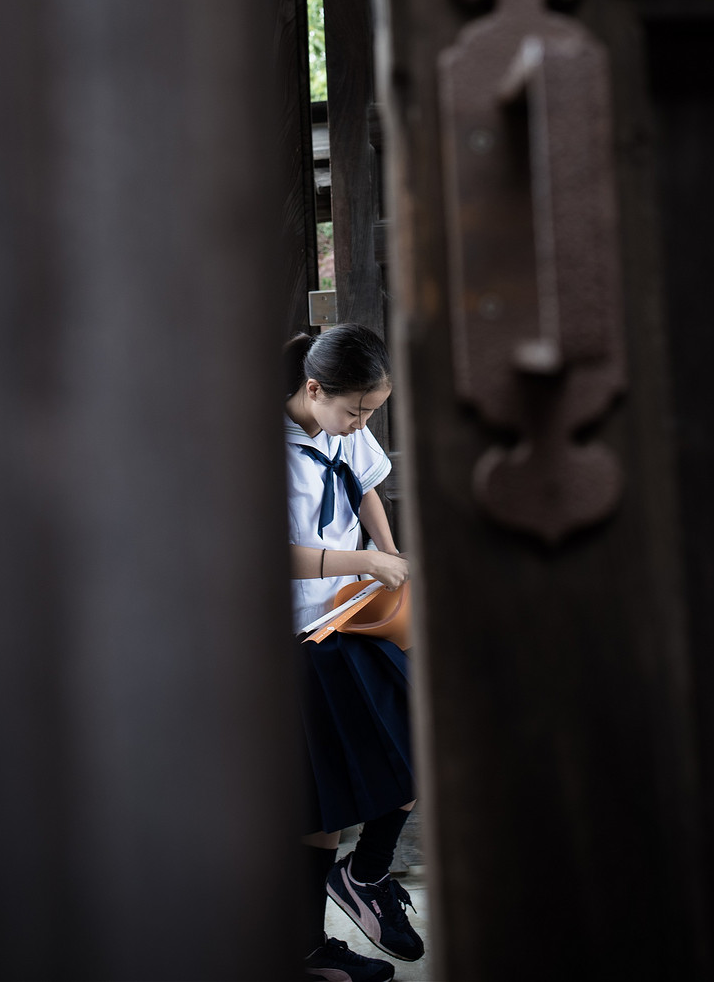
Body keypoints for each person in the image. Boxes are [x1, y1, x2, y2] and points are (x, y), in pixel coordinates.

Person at [285, 323, 425, 982]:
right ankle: (306, 948)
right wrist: (363, 558)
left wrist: (388, 553)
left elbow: (366, 484)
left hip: (359, 617)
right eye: (356, 411)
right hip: (306, 638)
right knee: (324, 805)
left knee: (417, 749)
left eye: (371, 411)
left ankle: (365, 877)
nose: (360, 423)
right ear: (314, 389)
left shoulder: (342, 420)